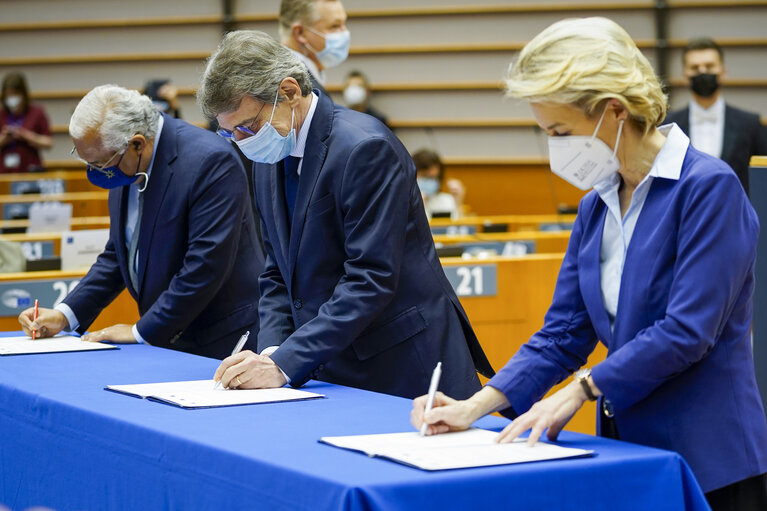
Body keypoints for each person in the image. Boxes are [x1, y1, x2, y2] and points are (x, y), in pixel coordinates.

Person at [411, 18, 767, 510]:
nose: (556, 146)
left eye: (560, 131)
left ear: (614, 111)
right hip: (628, 454)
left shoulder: (708, 188)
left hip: (709, 459)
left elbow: (687, 331)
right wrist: (476, 406)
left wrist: (583, 388)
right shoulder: (595, 204)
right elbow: (564, 333)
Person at [197, 30, 494, 399]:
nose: (242, 143)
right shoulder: (269, 156)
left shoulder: (365, 149)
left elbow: (371, 277)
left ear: (289, 92)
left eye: (248, 127)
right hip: (330, 363)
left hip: (402, 366)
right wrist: (274, 351)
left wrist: (285, 362)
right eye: (230, 134)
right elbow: (275, 272)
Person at [17, 85, 264, 359]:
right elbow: (117, 256)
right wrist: (65, 314)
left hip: (220, 340)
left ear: (137, 144)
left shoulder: (210, 161)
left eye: (100, 164)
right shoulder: (120, 158)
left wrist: (139, 332)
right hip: (165, 340)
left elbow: (205, 266)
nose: (97, 173)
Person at [665, 38, 767, 195]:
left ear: (723, 72)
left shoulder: (751, 124)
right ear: (685, 76)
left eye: (709, 66)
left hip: (736, 214)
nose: (702, 71)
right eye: (695, 67)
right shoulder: (668, 125)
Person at [278, 0, 349, 96]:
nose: (344, 32)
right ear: (300, 33)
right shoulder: (294, 88)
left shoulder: (309, 77)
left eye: (343, 24)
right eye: (335, 26)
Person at [0, 72, 52, 173]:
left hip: (30, 169)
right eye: (9, 95)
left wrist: (27, 136)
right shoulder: (1, 114)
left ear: (23, 94)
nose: (12, 98)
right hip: (5, 171)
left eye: (15, 94)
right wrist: (4, 139)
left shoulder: (37, 112)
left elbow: (48, 142)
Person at [412, 148, 465, 219]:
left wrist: (458, 202)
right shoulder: (405, 201)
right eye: (425, 177)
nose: (430, 182)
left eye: (434, 178)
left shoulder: (447, 200)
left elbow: (459, 226)